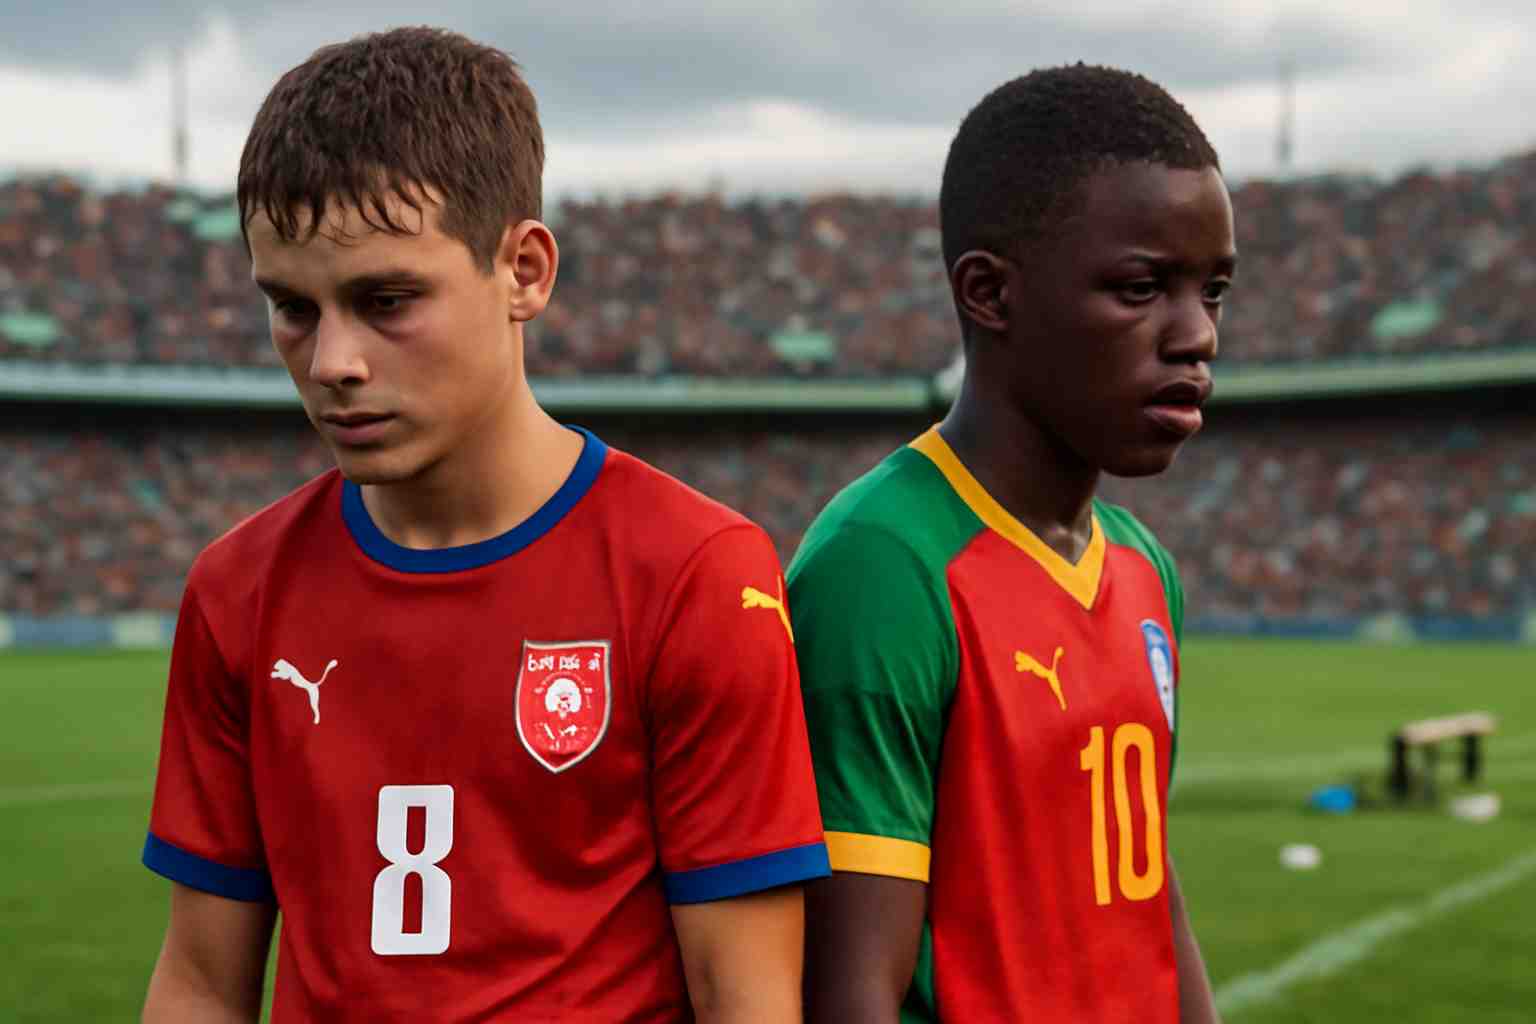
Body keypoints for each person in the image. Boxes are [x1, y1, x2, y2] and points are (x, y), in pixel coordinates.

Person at [140, 27, 827, 1022]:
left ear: (524, 271)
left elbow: (747, 997)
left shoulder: (694, 573)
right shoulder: (236, 588)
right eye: (292, 307)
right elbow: (201, 981)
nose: (332, 358)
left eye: (386, 300)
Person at [789, 64, 1233, 1023]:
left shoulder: (1143, 568)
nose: (1195, 334)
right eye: (1141, 287)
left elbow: (1154, 900)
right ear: (989, 294)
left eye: (1214, 291)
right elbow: (850, 991)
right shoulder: (885, 568)